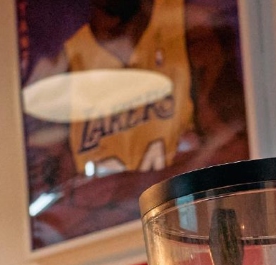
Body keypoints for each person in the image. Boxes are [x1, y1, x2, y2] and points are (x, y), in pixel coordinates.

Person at [24, 0, 247, 246]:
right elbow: (65, 198)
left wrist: (125, 191)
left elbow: (235, 156)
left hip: (186, 234)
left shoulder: (188, 26)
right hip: (115, 247)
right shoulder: (68, 62)